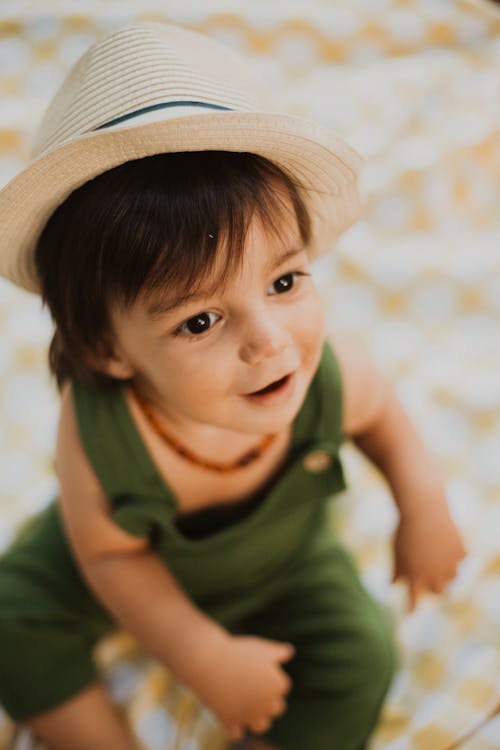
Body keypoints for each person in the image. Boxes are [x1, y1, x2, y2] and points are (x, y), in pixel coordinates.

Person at [0, 21, 465, 750]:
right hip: (114, 572)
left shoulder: (332, 372)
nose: (269, 341)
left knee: (362, 655)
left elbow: (386, 422)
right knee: (10, 618)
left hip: (285, 565)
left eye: (284, 281)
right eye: (200, 321)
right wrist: (202, 656)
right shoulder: (96, 428)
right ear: (106, 347)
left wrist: (423, 505)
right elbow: (112, 556)